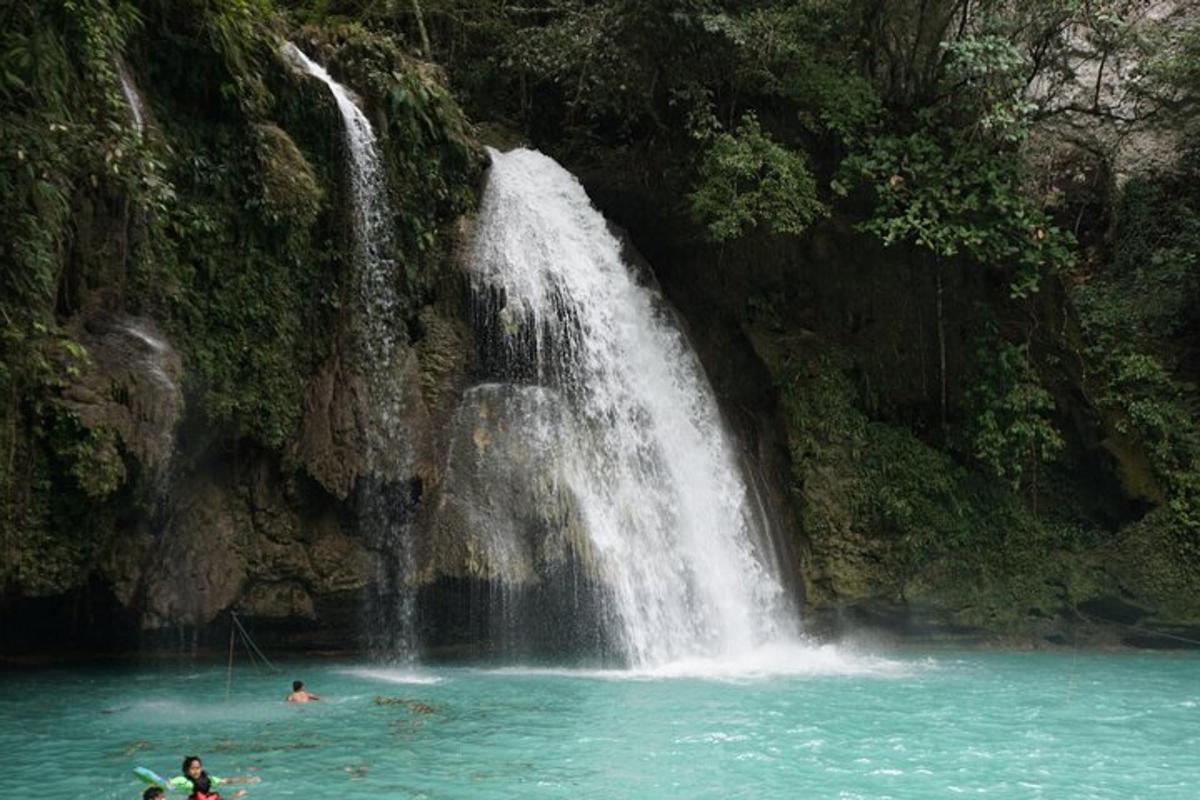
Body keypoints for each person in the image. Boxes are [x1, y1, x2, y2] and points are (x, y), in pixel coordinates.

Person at [170, 756, 257, 796]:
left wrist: (246, 779)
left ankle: (236, 796)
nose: (196, 771)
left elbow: (226, 781)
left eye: (198, 768)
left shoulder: (208, 779)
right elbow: (166, 784)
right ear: (186, 770)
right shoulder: (181, 780)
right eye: (192, 768)